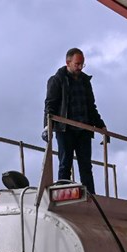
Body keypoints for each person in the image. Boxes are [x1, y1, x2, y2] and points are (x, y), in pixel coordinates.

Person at [44, 48, 106, 195]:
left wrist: (101, 125)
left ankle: (91, 196)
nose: (80, 67)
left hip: (84, 128)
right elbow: (50, 105)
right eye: (77, 64)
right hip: (65, 129)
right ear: (68, 63)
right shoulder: (57, 80)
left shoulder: (85, 81)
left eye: (82, 64)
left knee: (86, 166)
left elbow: (91, 106)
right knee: (65, 163)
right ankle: (62, 193)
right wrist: (47, 127)